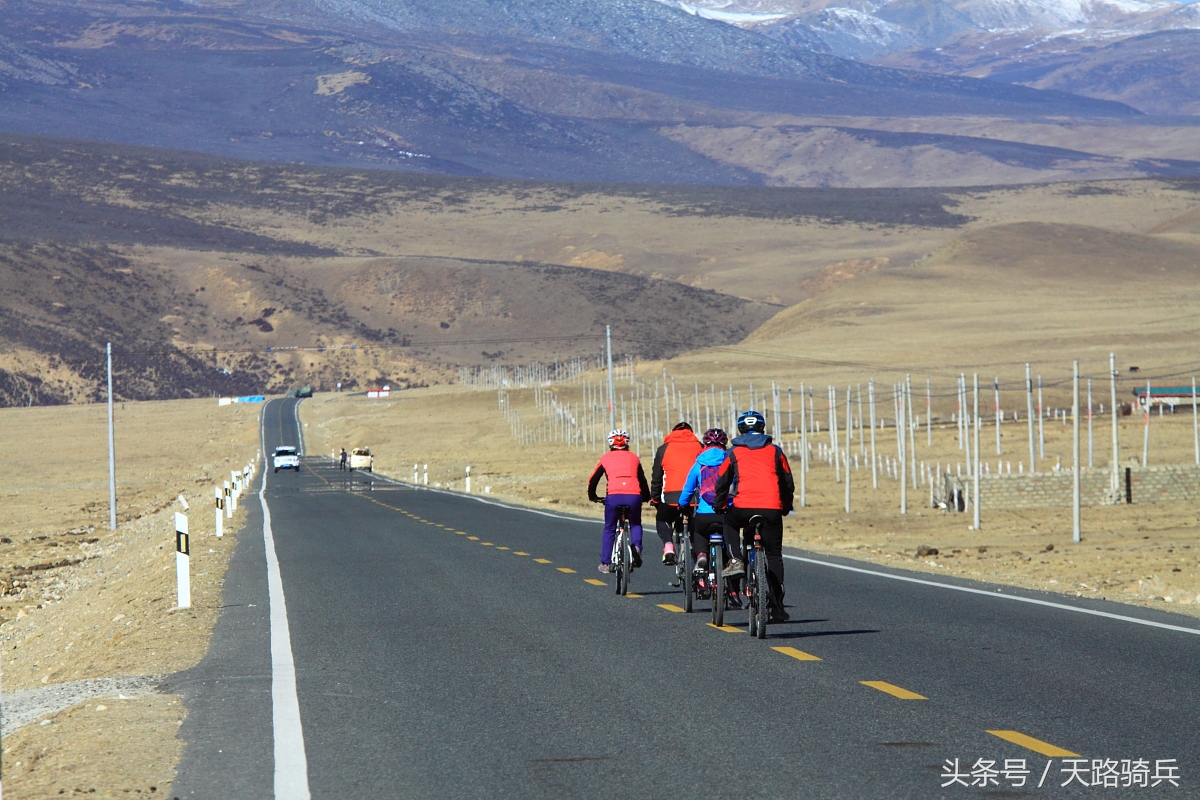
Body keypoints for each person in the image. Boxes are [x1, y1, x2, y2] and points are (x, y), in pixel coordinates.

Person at [714, 411, 795, 622]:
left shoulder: (733, 452)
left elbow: (722, 481)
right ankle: (777, 605)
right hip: (771, 510)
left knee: (729, 523)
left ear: (740, 429)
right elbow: (787, 482)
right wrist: (785, 506)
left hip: (742, 507)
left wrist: (719, 505)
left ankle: (736, 560)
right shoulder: (775, 451)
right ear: (762, 428)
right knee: (774, 556)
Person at [587, 429, 651, 574]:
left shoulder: (606, 458)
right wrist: (646, 496)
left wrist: (593, 496)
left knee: (609, 528)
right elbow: (642, 479)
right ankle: (636, 548)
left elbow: (593, 479)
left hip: (614, 497)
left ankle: (605, 562)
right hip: (634, 496)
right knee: (635, 524)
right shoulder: (634, 458)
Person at [677, 428, 729, 573]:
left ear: (705, 445)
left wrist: (682, 504)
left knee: (699, 533)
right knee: (731, 537)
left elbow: (688, 490)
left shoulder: (699, 464)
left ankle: (701, 555)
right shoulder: (730, 462)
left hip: (704, 513)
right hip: (726, 512)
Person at [650, 422, 703, 565]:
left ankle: (668, 547)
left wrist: (655, 499)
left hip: (671, 497)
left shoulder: (663, 449)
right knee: (697, 529)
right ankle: (701, 563)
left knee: (662, 519)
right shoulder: (700, 447)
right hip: (695, 497)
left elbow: (657, 478)